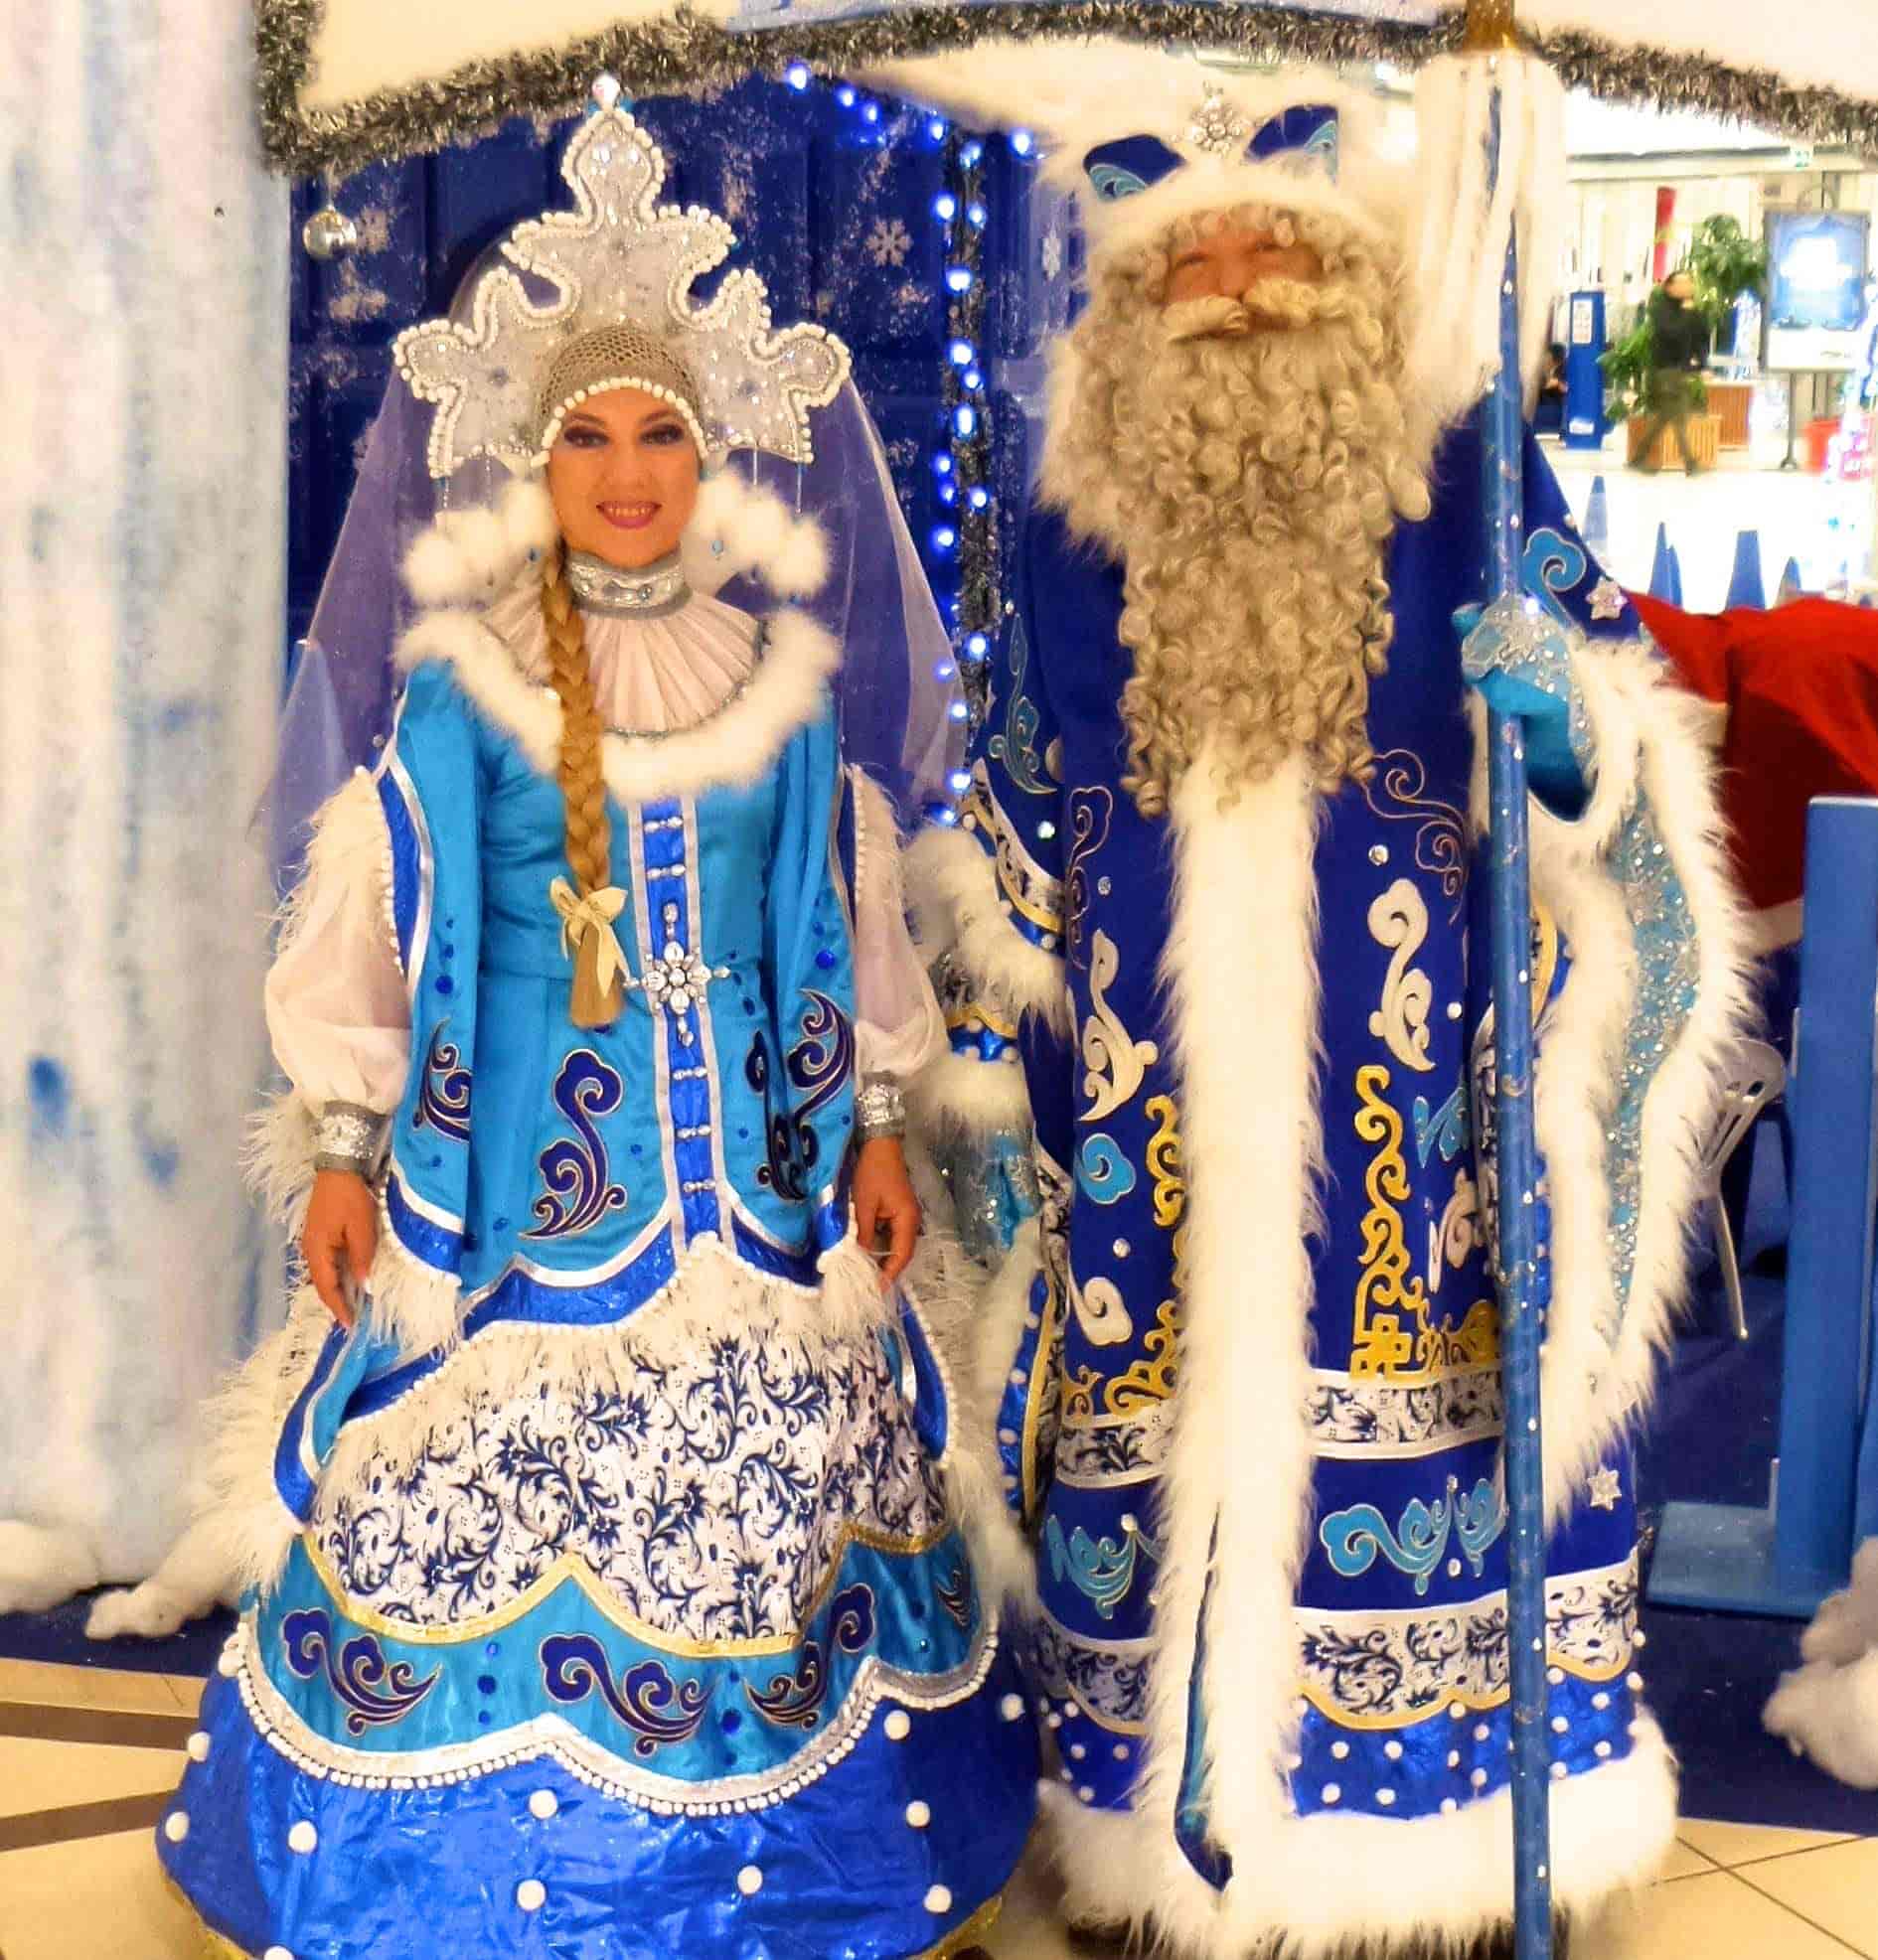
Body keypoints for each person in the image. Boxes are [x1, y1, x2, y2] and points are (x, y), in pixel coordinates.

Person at [117, 106, 1036, 1960]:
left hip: (759, 1208)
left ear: (712, 455)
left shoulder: (781, 692)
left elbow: (842, 933)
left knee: (786, 1521)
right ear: (536, 462)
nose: (627, 473)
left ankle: (780, 1877)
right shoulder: (462, 699)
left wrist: (875, 1122)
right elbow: (372, 940)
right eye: (590, 438)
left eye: (660, 434)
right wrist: (346, 1149)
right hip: (518, 1210)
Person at [902, 64, 1748, 1960]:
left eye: (1269, 250)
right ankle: (1161, 1854)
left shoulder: (1473, 484)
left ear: (1349, 274)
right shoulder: (1057, 547)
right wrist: (996, 1062)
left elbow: (1628, 784)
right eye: (1187, 262)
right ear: (1129, 309)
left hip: (1420, 1128)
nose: (1232, 287)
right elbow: (1013, 836)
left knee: (1429, 1437)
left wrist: (1566, 742)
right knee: (1155, 1447)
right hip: (1151, 1140)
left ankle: (1437, 1857)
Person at [1632, 268, 1713, 474]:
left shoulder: (1693, 310)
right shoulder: (1660, 310)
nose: (1688, 286)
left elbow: (1701, 338)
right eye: (1682, 283)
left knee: (1665, 417)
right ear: (1669, 287)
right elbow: (1671, 335)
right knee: (1678, 417)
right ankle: (1690, 463)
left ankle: (1638, 458)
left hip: (1682, 371)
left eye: (1689, 282)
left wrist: (1704, 365)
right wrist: (1687, 313)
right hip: (1666, 371)